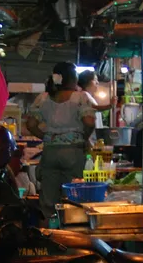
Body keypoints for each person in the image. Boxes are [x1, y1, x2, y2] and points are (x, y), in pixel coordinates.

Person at [25, 62, 97, 218]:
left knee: (48, 202)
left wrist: (45, 136)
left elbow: (30, 124)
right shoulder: (80, 98)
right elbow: (89, 122)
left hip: (50, 153)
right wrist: (84, 136)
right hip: (73, 152)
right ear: (73, 79)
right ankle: (69, 232)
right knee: (72, 198)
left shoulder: (43, 98)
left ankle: (49, 233)